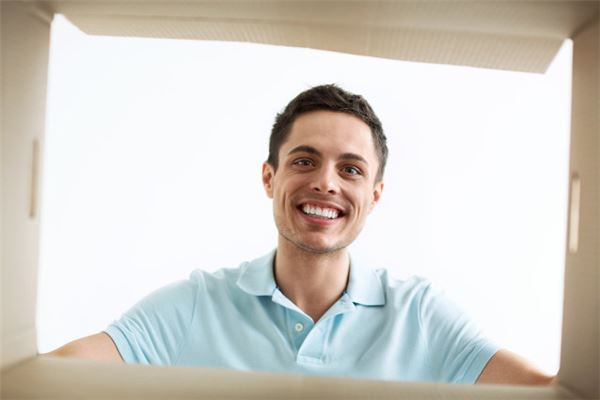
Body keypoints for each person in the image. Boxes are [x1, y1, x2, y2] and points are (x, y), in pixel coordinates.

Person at [47, 84, 554, 385]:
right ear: (269, 178)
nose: (326, 183)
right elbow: (55, 373)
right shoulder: (196, 305)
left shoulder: (420, 316)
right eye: (305, 161)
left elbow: (547, 391)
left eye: (351, 169)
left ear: (375, 195)